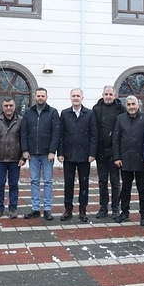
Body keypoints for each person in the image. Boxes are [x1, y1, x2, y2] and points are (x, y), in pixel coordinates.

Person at [58, 89, 97, 222]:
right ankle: (68, 209)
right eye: (73, 96)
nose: (76, 98)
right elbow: (61, 135)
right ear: (70, 98)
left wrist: (92, 153)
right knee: (68, 184)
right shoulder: (64, 114)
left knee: (84, 184)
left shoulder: (90, 114)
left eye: (78, 96)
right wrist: (60, 153)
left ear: (82, 98)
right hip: (68, 155)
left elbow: (94, 135)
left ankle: (82, 210)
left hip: (85, 155)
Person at [21, 88, 60, 221]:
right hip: (33, 154)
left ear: (46, 97)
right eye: (38, 96)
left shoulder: (53, 112)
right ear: (34, 96)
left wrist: (52, 151)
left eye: (43, 96)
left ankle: (47, 209)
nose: (40, 98)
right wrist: (25, 150)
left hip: (46, 154)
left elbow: (56, 133)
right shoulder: (28, 112)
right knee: (34, 181)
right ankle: (35, 208)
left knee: (48, 181)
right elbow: (24, 132)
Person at [113, 95, 144, 225]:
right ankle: (124, 212)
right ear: (126, 106)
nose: (131, 107)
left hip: (141, 160)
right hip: (125, 159)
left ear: (138, 104)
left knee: (143, 189)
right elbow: (116, 139)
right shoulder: (120, 119)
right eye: (128, 105)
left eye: (133, 104)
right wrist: (117, 157)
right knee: (125, 189)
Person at [92, 86, 124, 219]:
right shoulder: (96, 109)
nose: (108, 96)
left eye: (110, 94)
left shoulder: (121, 109)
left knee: (115, 182)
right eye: (106, 94)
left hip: (115, 152)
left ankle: (116, 208)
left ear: (115, 95)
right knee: (102, 181)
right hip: (101, 151)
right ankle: (103, 207)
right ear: (102, 95)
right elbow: (94, 130)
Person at [0, 98, 25, 218]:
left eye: (11, 105)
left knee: (13, 184)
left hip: (15, 160)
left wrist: (22, 158)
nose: (8, 108)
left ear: (14, 106)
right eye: (6, 105)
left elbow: (23, 139)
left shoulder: (20, 120)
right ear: (2, 106)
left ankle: (13, 208)